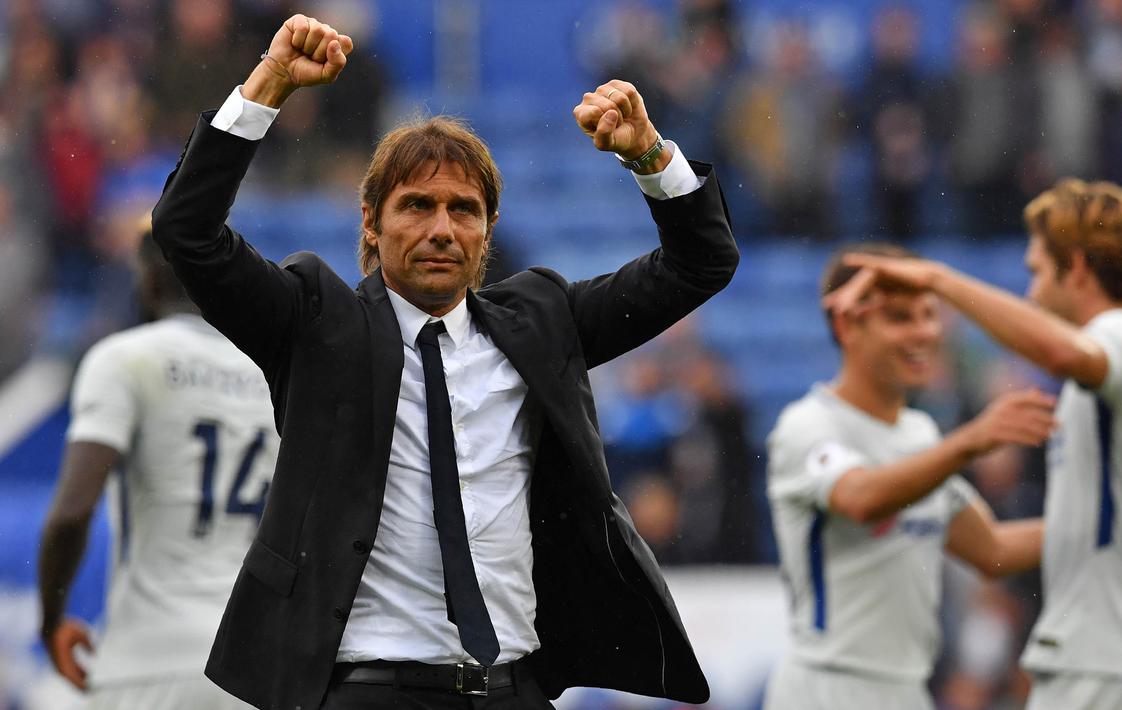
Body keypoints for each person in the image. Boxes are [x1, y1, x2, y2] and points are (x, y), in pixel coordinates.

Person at [150, 12, 738, 710]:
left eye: (463, 209)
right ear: (370, 221)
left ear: (488, 230)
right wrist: (268, 85)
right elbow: (187, 231)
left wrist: (650, 158)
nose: (440, 228)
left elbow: (701, 261)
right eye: (416, 205)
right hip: (368, 691)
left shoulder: (543, 323)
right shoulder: (314, 323)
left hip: (514, 689)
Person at [827, 180, 1122, 710]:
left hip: (1102, 667)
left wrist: (939, 280)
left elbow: (1062, 354)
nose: (1032, 294)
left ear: (1077, 268)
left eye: (1037, 272)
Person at [763, 243, 1055, 710]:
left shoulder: (919, 435)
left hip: (908, 693)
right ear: (847, 325)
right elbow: (860, 498)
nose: (924, 333)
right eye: (900, 317)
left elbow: (993, 549)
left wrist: (1112, 525)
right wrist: (970, 442)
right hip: (827, 689)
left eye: (929, 314)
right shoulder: (809, 425)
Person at [37, 226, 278, 709]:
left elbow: (71, 512)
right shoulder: (273, 372)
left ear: (146, 281)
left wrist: (52, 620)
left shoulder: (125, 359)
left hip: (149, 658)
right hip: (255, 665)